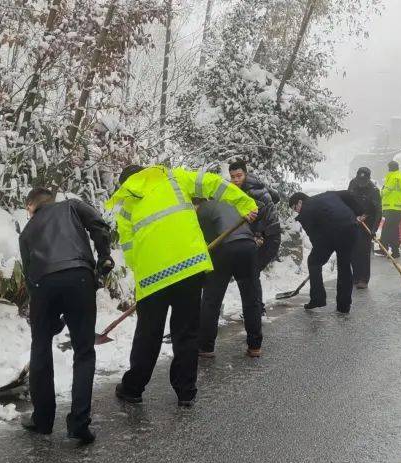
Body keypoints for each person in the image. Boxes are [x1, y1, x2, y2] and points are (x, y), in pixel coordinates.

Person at [108, 164, 257, 407]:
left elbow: (130, 250)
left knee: (148, 334)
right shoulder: (175, 179)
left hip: (152, 277)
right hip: (189, 268)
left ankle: (133, 389)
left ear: (128, 185)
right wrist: (243, 202)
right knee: (186, 332)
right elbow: (213, 183)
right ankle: (185, 391)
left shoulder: (126, 208)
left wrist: (142, 275)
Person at [17, 188, 113, 445]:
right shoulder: (71, 206)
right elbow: (99, 225)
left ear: (30, 207)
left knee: (40, 349)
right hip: (79, 276)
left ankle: (43, 420)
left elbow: (29, 274)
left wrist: (50, 321)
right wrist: (104, 257)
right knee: (83, 351)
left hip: (42, 286)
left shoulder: (26, 232)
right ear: (51, 201)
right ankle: (79, 422)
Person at [197, 198, 263, 358]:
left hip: (223, 250)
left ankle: (206, 347)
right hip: (248, 247)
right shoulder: (229, 203)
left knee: (212, 299)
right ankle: (255, 346)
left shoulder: (202, 210)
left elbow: (205, 240)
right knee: (251, 297)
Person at [288, 191, 365, 314]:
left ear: (300, 202)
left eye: (294, 207)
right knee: (344, 266)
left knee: (313, 261)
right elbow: (348, 194)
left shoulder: (305, 212)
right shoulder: (329, 194)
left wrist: (320, 255)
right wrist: (359, 212)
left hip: (332, 234)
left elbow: (315, 238)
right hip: (350, 229)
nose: (296, 211)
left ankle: (318, 298)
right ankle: (343, 306)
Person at [228, 161, 282, 314]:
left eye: (239, 176)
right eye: (233, 177)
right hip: (270, 234)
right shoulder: (256, 183)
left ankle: (257, 310)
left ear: (245, 173)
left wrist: (258, 235)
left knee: (252, 271)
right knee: (252, 271)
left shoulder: (250, 191)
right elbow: (275, 196)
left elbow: (257, 213)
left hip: (268, 237)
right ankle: (257, 309)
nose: (236, 180)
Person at [347, 167, 381, 289]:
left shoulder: (374, 190)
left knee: (363, 252)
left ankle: (363, 279)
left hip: (368, 224)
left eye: (363, 180)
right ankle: (355, 277)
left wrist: (374, 229)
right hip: (353, 222)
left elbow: (378, 211)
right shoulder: (352, 184)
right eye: (359, 179)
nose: (360, 183)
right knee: (352, 251)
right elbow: (347, 201)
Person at [379, 161, 401, 258]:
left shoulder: (393, 177)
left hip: (391, 207)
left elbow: (386, 191)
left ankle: (390, 250)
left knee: (389, 229)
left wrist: (378, 194)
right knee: (392, 229)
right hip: (398, 208)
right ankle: (387, 249)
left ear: (390, 168)